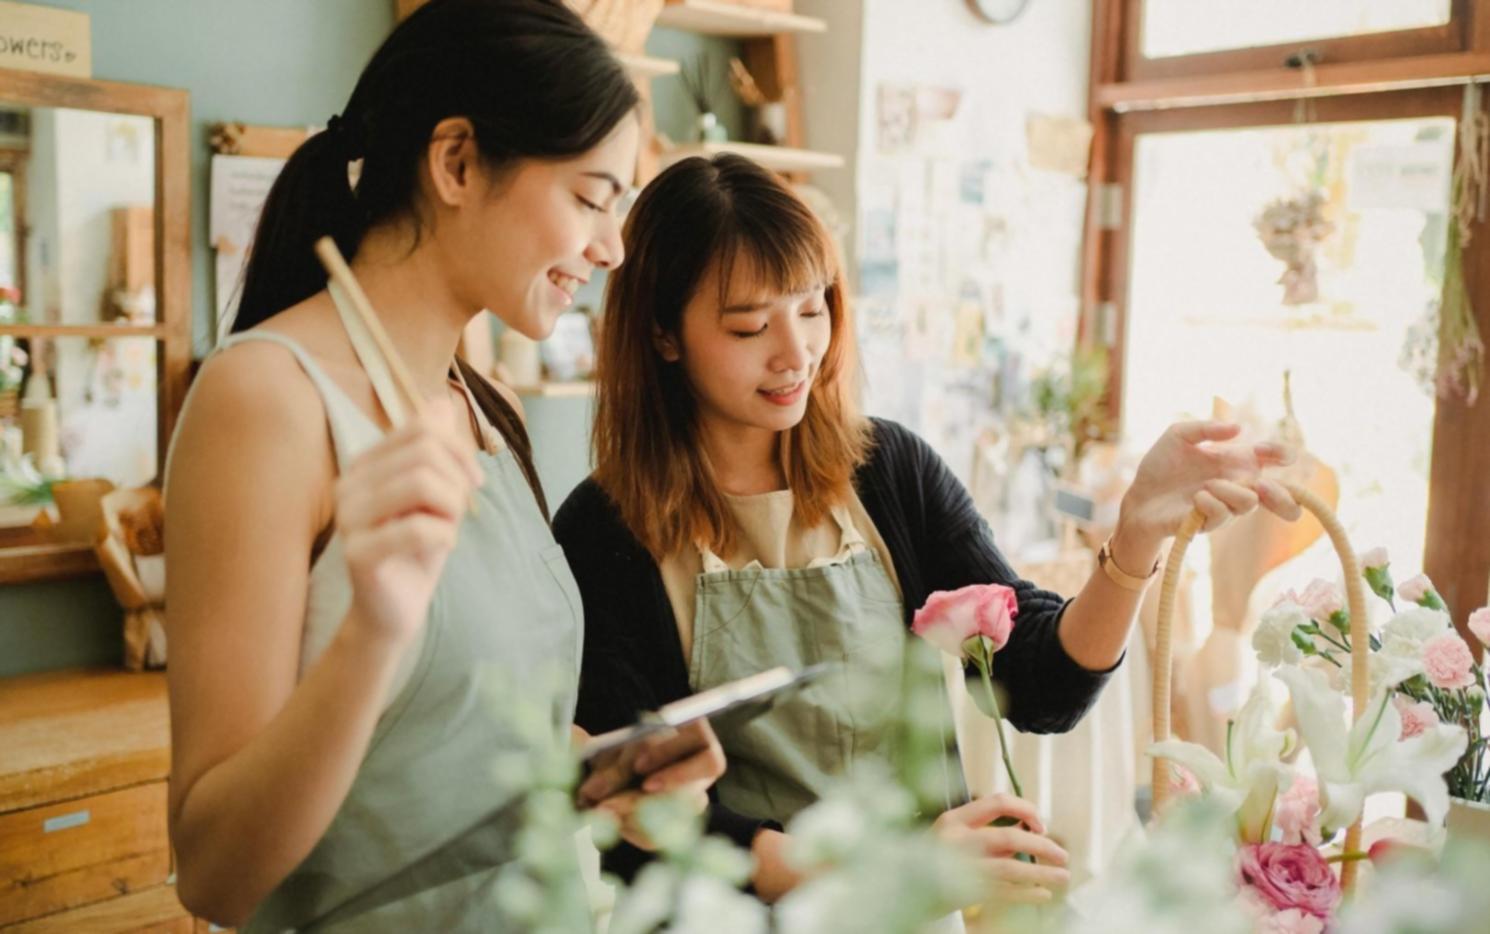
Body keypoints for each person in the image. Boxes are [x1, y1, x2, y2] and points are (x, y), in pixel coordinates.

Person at [554, 154, 1302, 903]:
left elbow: (1042, 685)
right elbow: (646, 815)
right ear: (662, 335)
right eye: (749, 325)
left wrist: (1135, 534)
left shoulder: (888, 472)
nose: (795, 354)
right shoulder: (603, 532)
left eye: (813, 308)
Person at [164, 2, 721, 929]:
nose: (612, 247)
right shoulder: (265, 400)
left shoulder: (479, 405)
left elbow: (449, 753)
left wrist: (612, 775)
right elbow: (215, 873)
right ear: (457, 161)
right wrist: (372, 632)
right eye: (591, 197)